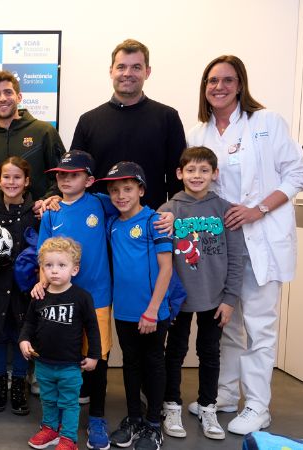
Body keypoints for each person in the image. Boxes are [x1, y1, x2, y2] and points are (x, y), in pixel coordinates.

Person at [186, 55, 303, 435]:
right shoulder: (198, 134)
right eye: (212, 80)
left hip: (261, 237)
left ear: (240, 84)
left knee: (259, 325)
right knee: (227, 325)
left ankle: (257, 406)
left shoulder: (266, 122)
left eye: (228, 80)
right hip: (220, 246)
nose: (219, 87)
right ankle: (223, 395)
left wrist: (259, 209)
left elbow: (297, 174)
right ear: (204, 87)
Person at [33, 151, 174, 450]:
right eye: (61, 175)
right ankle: (54, 422)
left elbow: (133, 207)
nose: (66, 180)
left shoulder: (101, 203)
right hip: (59, 298)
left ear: (89, 181)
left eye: (74, 175)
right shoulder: (51, 212)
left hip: (97, 298)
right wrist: (42, 282)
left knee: (97, 357)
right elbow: (43, 255)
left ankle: (97, 418)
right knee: (59, 357)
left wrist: (169, 215)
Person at [158, 146, 245, 441]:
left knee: (209, 353)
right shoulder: (167, 210)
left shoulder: (225, 210)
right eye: (191, 170)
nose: (197, 176)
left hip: (215, 298)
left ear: (215, 174)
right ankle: (171, 405)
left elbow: (236, 258)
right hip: (178, 300)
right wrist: (164, 300)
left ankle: (208, 406)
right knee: (175, 352)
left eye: (204, 170)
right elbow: (158, 260)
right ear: (179, 173)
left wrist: (230, 299)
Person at [98, 162, 172, 450]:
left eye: (128, 189)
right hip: (124, 311)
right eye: (114, 190)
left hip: (152, 312)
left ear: (141, 190)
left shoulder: (155, 221)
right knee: (130, 363)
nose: (121, 196)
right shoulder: (113, 224)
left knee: (153, 364)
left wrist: (152, 311)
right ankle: (134, 418)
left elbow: (166, 269)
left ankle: (153, 425)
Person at [71, 39, 186, 210]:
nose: (127, 73)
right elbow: (74, 174)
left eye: (136, 67)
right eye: (121, 67)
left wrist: (175, 214)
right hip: (98, 220)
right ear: (111, 71)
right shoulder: (88, 121)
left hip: (152, 220)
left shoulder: (168, 118)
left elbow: (177, 178)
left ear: (147, 72)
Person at [20, 237, 101, 450]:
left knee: (69, 402)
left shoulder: (82, 297)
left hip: (70, 365)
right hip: (43, 362)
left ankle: (68, 438)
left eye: (61, 265)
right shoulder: (39, 295)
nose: (54, 270)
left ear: (74, 269)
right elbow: (29, 322)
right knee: (47, 399)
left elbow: (92, 328)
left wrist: (94, 355)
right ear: (42, 268)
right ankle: (50, 429)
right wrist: (24, 340)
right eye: (49, 265)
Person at [0, 157, 39, 416]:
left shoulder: (36, 212)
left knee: (22, 335)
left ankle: (19, 385)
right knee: (0, 335)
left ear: (27, 181)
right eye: (6, 177)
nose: (11, 182)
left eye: (17, 177)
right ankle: (0, 383)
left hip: (25, 288)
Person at [0, 70, 66, 201]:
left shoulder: (44, 131)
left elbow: (63, 174)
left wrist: (46, 200)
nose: (2, 98)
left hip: (39, 211)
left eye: (8, 92)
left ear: (19, 97)